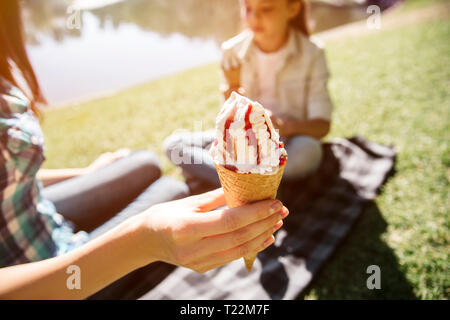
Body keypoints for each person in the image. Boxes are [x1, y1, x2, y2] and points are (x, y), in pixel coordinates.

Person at [0, 0, 288, 299]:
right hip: (40, 270)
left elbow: (11, 175)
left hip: (36, 209)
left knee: (144, 162)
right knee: (171, 190)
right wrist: (143, 240)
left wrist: (86, 173)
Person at [164, 0, 333, 191]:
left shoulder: (313, 53)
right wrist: (233, 85)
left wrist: (282, 126)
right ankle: (257, 184)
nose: (254, 18)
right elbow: (227, 120)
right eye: (248, 9)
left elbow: (322, 126)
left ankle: (228, 179)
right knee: (175, 145)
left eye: (266, 9)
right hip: (243, 142)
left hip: (289, 141)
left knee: (309, 152)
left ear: (292, 8)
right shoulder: (232, 51)